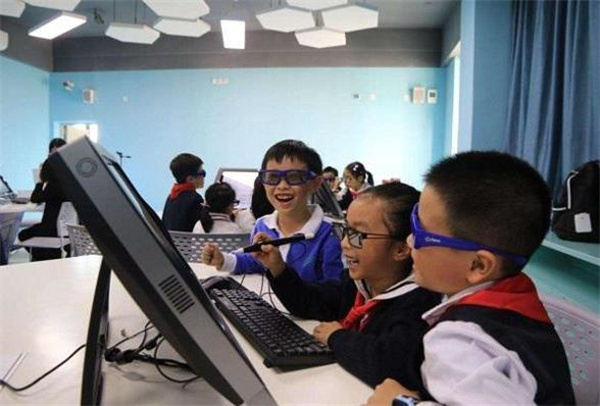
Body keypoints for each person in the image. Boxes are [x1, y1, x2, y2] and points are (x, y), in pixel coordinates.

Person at [366, 151, 575, 405]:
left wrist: (399, 402)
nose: (410, 241)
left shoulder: (461, 342)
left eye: (421, 233)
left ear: (478, 265)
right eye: (413, 222)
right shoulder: (515, 293)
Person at [254, 182, 441, 387]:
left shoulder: (421, 305)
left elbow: (389, 363)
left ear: (401, 249)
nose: (344, 243)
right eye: (345, 230)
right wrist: (278, 268)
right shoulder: (359, 284)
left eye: (358, 235)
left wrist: (336, 337)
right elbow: (311, 302)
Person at [202, 139, 344, 283]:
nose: (282, 186)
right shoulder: (262, 225)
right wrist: (223, 260)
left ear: (315, 183)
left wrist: (280, 270)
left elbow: (334, 290)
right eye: (272, 177)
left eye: (294, 177)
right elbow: (255, 261)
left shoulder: (331, 234)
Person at [18, 138, 68, 261]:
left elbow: (35, 199)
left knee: (22, 234)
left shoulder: (53, 186)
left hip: (52, 229)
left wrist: (40, 181)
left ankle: (40, 256)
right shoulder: (69, 182)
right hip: (65, 229)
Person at [162, 153, 210, 232]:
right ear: (190, 179)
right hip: (190, 239)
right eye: (202, 173)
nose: (204, 177)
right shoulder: (195, 199)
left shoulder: (171, 197)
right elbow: (206, 227)